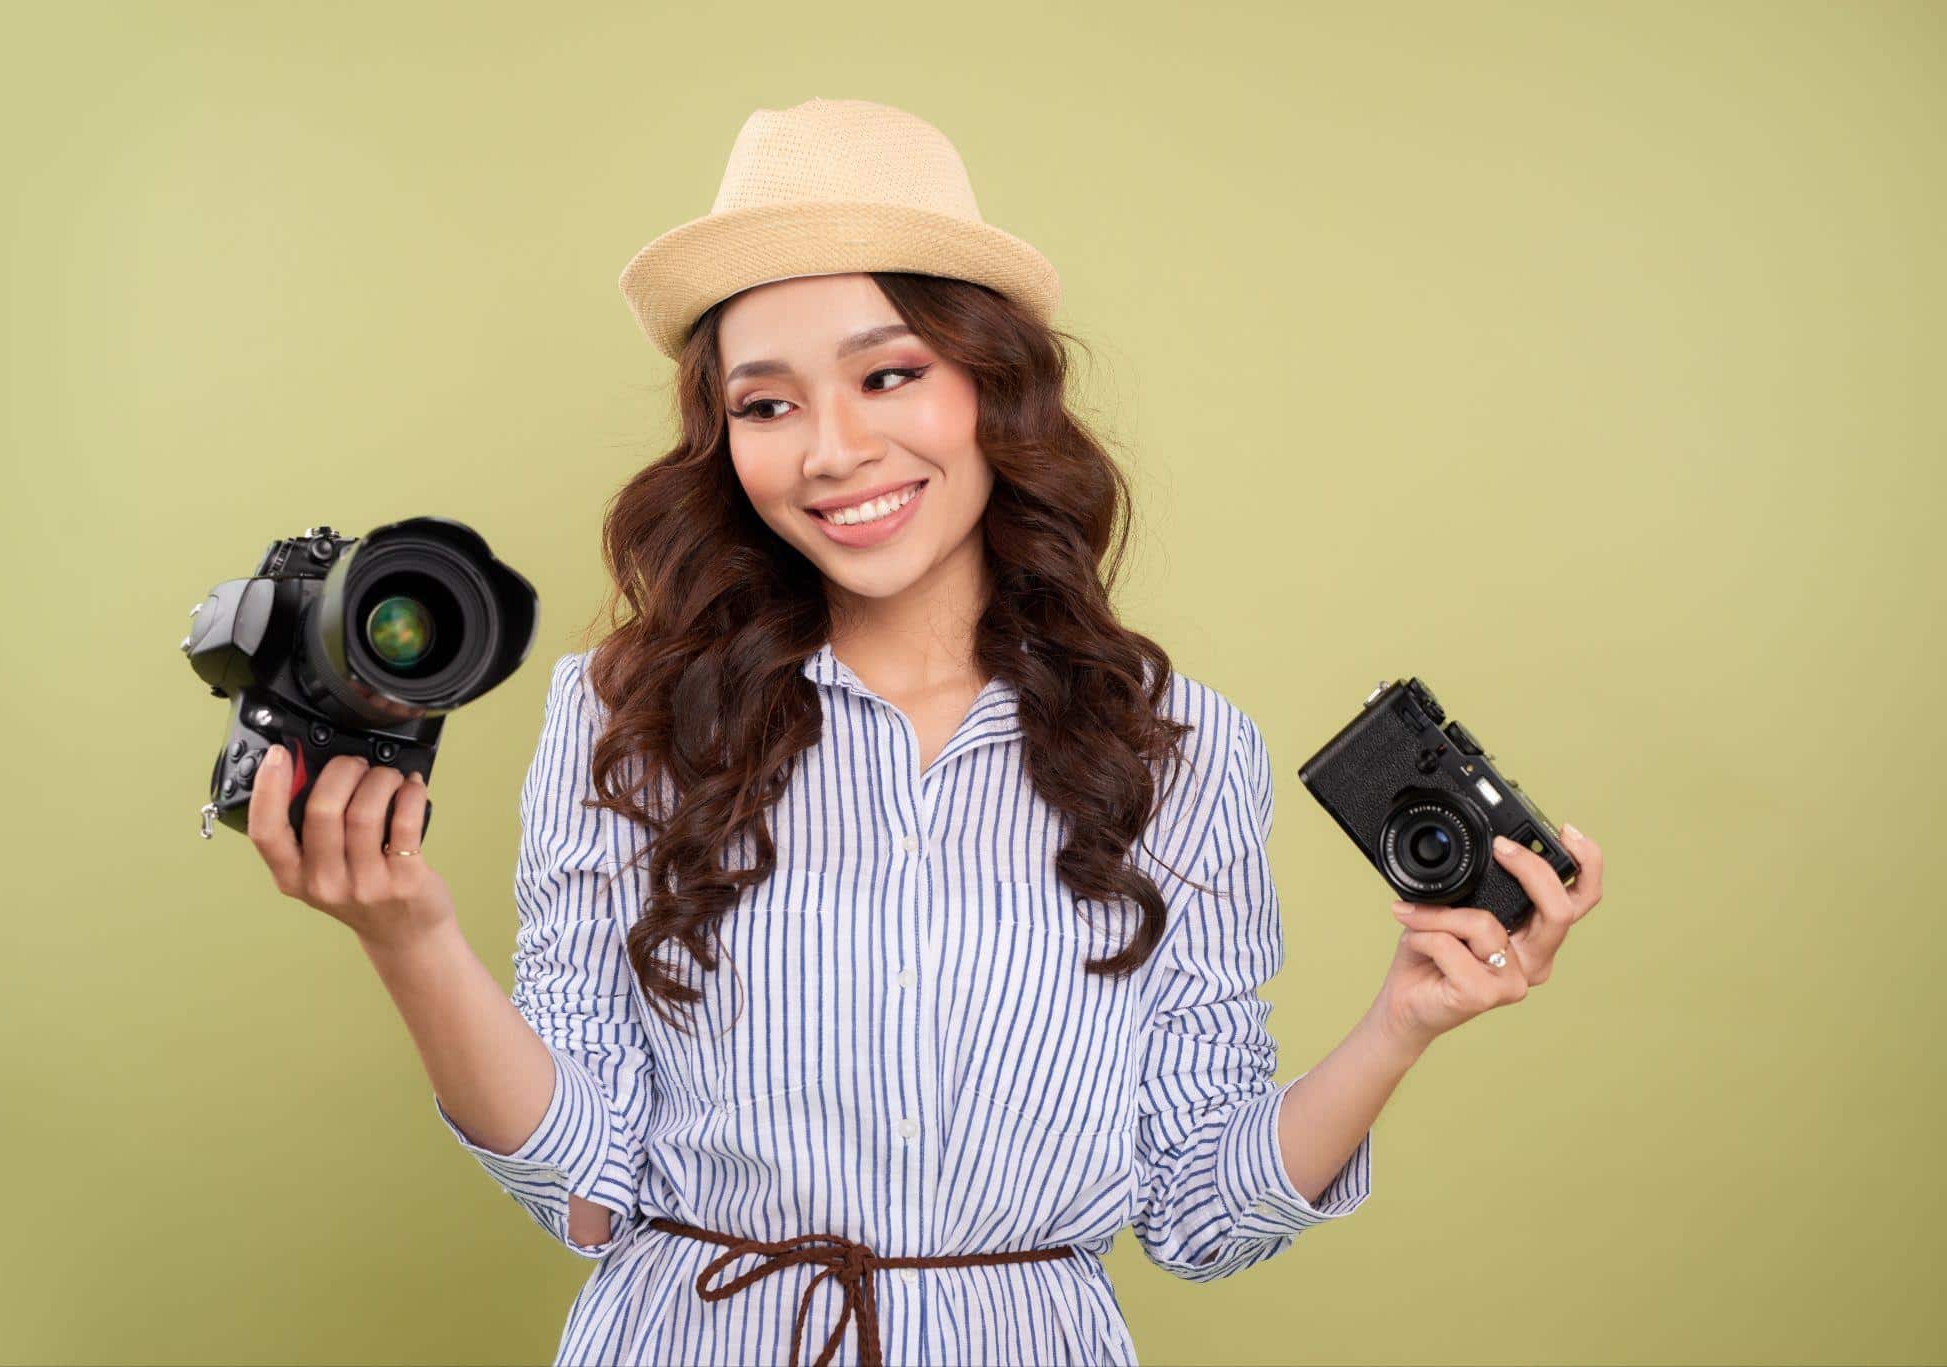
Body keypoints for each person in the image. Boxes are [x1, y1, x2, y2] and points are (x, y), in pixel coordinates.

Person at [245, 97, 1607, 1367]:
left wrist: (1401, 1024)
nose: (829, 450)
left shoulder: (1182, 748)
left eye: (887, 377)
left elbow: (1203, 1215)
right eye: (765, 404)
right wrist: (409, 934)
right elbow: (585, 1186)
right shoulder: (625, 716)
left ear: (990, 392)